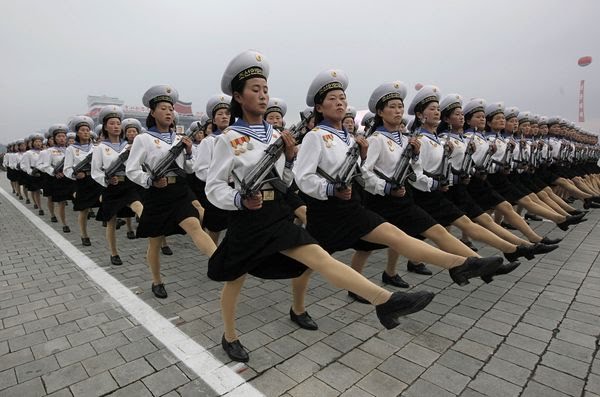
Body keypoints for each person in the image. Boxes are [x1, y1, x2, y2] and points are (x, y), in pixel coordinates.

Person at [207, 51, 439, 363]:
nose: (262, 96)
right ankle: (229, 335)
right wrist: (238, 199)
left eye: (265, 89)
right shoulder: (229, 139)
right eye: (254, 90)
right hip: (247, 220)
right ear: (238, 96)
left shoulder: (278, 135)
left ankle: (385, 301)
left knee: (318, 258)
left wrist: (288, 160)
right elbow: (214, 187)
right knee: (235, 279)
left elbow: (285, 180)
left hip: (277, 217)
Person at [126, 85, 217, 299]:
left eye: (170, 108)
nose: (168, 112)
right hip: (157, 195)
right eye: (163, 108)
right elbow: (131, 170)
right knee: (155, 241)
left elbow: (190, 168)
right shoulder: (144, 139)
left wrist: (187, 152)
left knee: (195, 226)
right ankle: (156, 280)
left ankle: (220, 261)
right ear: (152, 112)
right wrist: (149, 180)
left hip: (179, 191)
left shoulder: (179, 139)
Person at [193, 94, 232, 244]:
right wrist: (221, 177)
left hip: (237, 189)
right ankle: (213, 258)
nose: (224, 117)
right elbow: (201, 170)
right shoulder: (208, 142)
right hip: (217, 191)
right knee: (215, 228)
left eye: (227, 114)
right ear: (214, 120)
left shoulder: (238, 138)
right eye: (220, 114)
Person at [64, 115, 103, 246]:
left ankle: (110, 218)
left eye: (87, 130)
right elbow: (67, 168)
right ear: (77, 133)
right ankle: (84, 234)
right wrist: (75, 175)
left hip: (96, 179)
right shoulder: (71, 149)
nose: (86, 132)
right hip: (82, 181)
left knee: (105, 199)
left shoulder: (96, 147)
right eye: (82, 130)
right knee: (84, 209)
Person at [38, 124, 73, 232]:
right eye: (59, 136)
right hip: (57, 178)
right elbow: (45, 165)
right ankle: (64, 223)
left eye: (63, 136)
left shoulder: (71, 149)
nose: (62, 138)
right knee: (61, 202)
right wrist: (54, 172)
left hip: (70, 177)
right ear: (54, 139)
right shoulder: (49, 151)